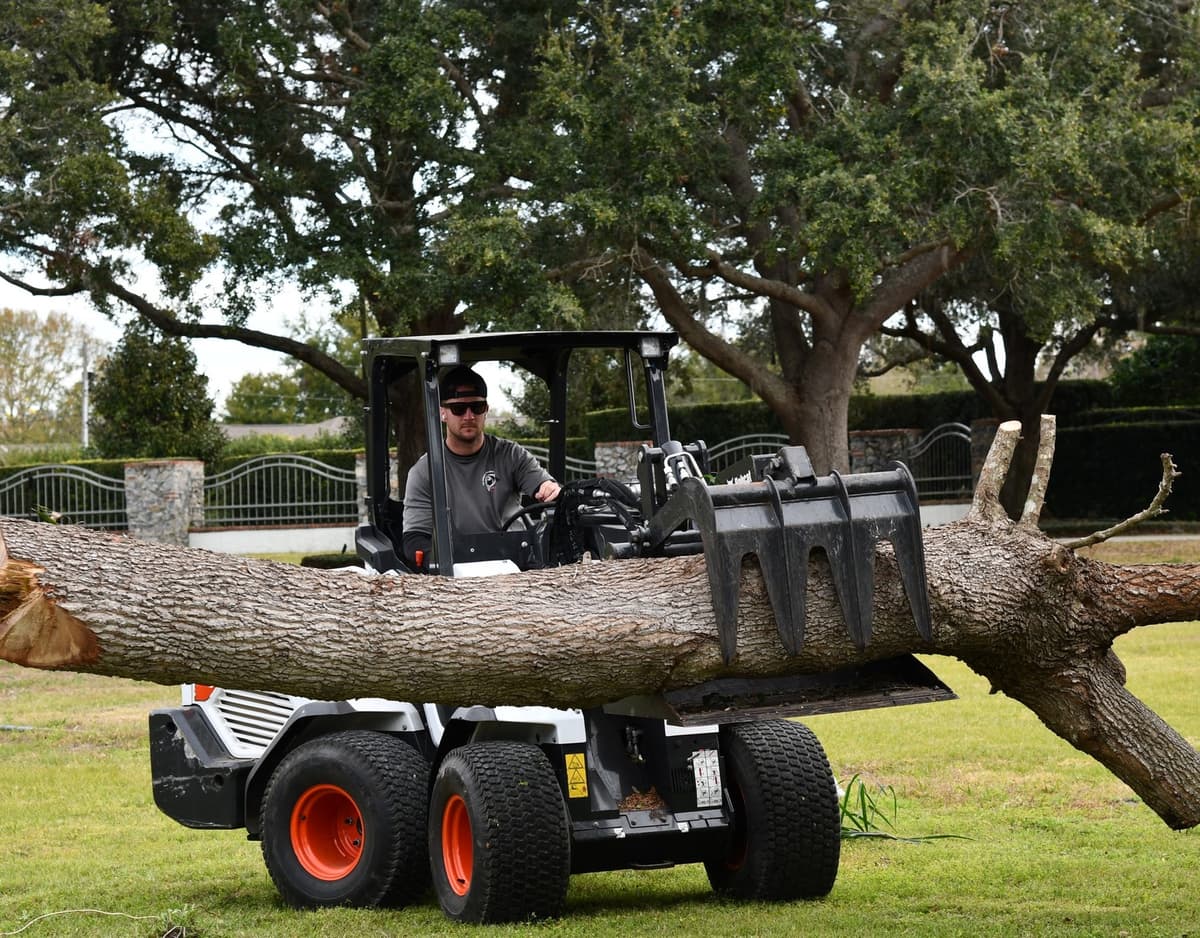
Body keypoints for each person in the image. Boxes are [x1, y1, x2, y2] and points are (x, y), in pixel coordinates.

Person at [401, 365, 562, 569]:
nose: (469, 416)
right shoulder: (424, 472)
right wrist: (440, 565)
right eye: (459, 409)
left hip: (516, 564)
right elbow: (415, 539)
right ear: (442, 413)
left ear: (486, 409)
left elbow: (542, 485)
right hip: (456, 570)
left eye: (476, 407)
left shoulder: (511, 455)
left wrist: (549, 488)